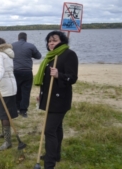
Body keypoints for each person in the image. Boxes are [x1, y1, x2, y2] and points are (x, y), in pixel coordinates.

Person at [34, 31, 78, 169]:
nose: (51, 43)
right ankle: (56, 154)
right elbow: (47, 80)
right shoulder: (50, 57)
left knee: (49, 130)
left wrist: (60, 75)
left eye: (54, 40)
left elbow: (72, 77)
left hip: (60, 100)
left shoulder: (69, 55)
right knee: (57, 128)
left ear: (62, 41)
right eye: (49, 40)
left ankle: (49, 162)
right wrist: (42, 94)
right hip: (49, 98)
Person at [0, 37, 26, 151]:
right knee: (4, 112)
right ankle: (4, 134)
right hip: (10, 85)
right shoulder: (7, 54)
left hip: (4, 86)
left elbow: (0, 68)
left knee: (4, 113)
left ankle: (8, 141)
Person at [12, 32, 42, 118]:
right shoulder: (31, 46)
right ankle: (23, 111)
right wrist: (30, 54)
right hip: (27, 71)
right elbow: (38, 56)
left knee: (16, 90)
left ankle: (17, 108)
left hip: (15, 71)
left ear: (18, 38)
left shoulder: (12, 45)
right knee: (26, 91)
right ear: (26, 38)